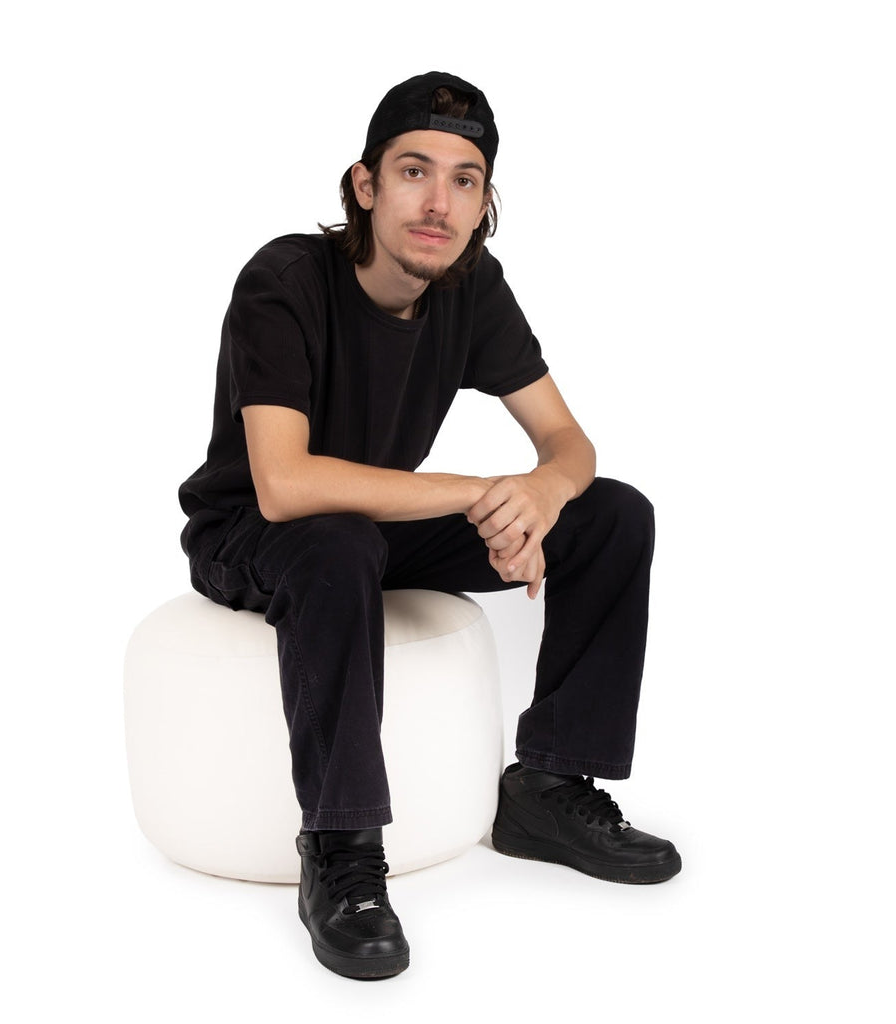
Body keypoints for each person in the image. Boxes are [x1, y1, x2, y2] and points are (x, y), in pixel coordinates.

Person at [178, 71, 681, 980]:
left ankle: (548, 786)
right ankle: (341, 853)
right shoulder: (284, 280)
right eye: (414, 171)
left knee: (611, 517)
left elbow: (569, 443)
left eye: (465, 179)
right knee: (335, 543)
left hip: (376, 528)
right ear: (365, 185)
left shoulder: (470, 287)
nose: (438, 202)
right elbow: (286, 485)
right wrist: (482, 490)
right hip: (250, 529)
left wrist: (539, 499)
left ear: (485, 203)